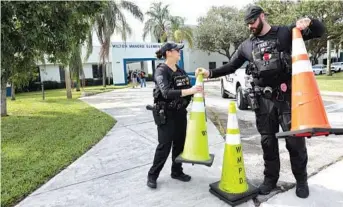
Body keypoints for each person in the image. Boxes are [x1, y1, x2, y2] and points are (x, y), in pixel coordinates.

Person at [195, 5, 325, 198]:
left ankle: (301, 181)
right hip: (263, 102)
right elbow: (231, 66)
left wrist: (310, 23)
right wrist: (210, 73)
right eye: (247, 23)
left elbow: (319, 32)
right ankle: (270, 180)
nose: (250, 26)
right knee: (267, 143)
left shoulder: (284, 33)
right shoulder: (246, 46)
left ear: (262, 16)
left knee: (295, 142)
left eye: (253, 21)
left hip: (287, 99)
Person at [147, 42, 203, 189]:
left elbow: (188, 86)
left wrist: (196, 88)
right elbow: (165, 93)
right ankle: (152, 175)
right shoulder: (161, 71)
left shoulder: (180, 70)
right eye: (177, 50)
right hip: (165, 114)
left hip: (180, 113)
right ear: (168, 53)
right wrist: (190, 91)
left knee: (180, 144)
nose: (179, 52)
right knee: (164, 146)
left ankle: (177, 171)